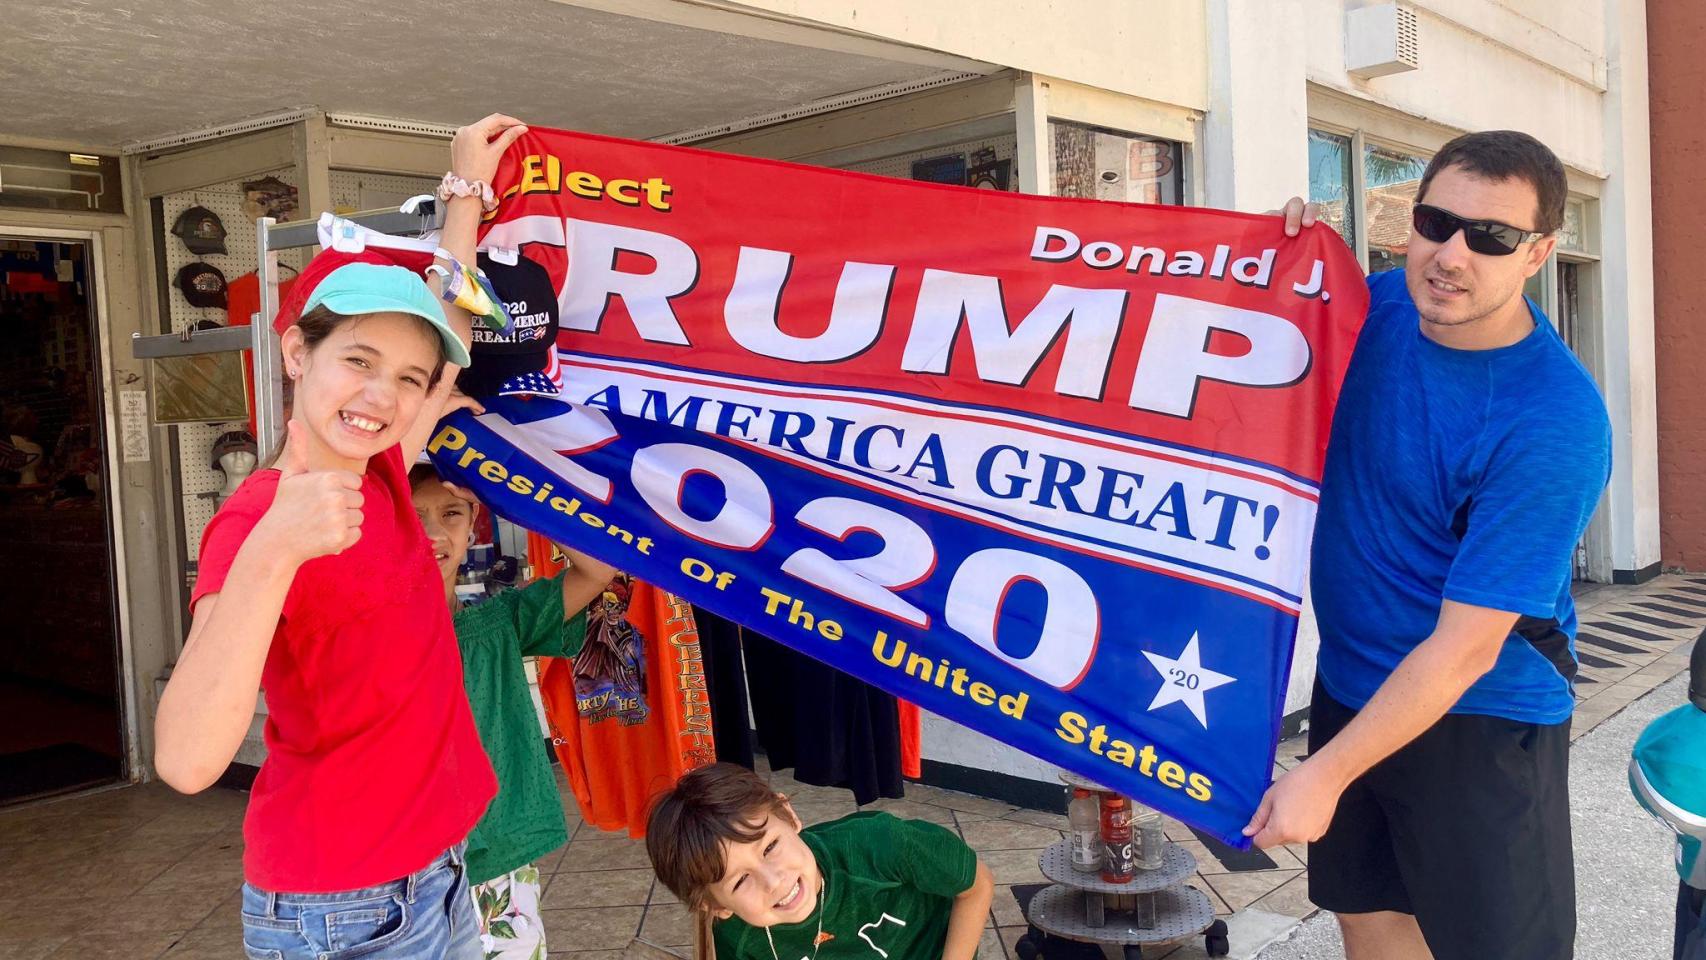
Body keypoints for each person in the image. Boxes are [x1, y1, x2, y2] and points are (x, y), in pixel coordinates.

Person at [153, 114, 529, 960]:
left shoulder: (385, 470)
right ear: (296, 353)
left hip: (440, 870)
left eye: (406, 378)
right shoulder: (254, 522)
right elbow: (183, 760)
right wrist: (276, 551)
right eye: (356, 360)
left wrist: (463, 188)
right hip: (345, 910)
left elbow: (452, 342)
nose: (382, 395)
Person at [1242, 130, 1612, 960]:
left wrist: (1324, 774)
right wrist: (1268, 258)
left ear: (1538, 253)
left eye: (1491, 237)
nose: (1451, 255)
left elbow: (1463, 652)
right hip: (1350, 684)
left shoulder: (1553, 420)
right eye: (1435, 222)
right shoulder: (1369, 309)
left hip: (1477, 718)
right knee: (1369, 922)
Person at [408, 463, 617, 959]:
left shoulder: (498, 624)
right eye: (412, 516)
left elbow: (597, 571)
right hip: (402, 865)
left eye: (452, 513)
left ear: (475, 523)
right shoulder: (359, 635)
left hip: (495, 853)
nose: (435, 532)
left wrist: (514, 494)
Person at [647, 762, 994, 960]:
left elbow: (976, 886)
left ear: (787, 814)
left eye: (770, 847)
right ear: (716, 906)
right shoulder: (738, 943)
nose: (774, 881)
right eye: (740, 881)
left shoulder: (882, 844)